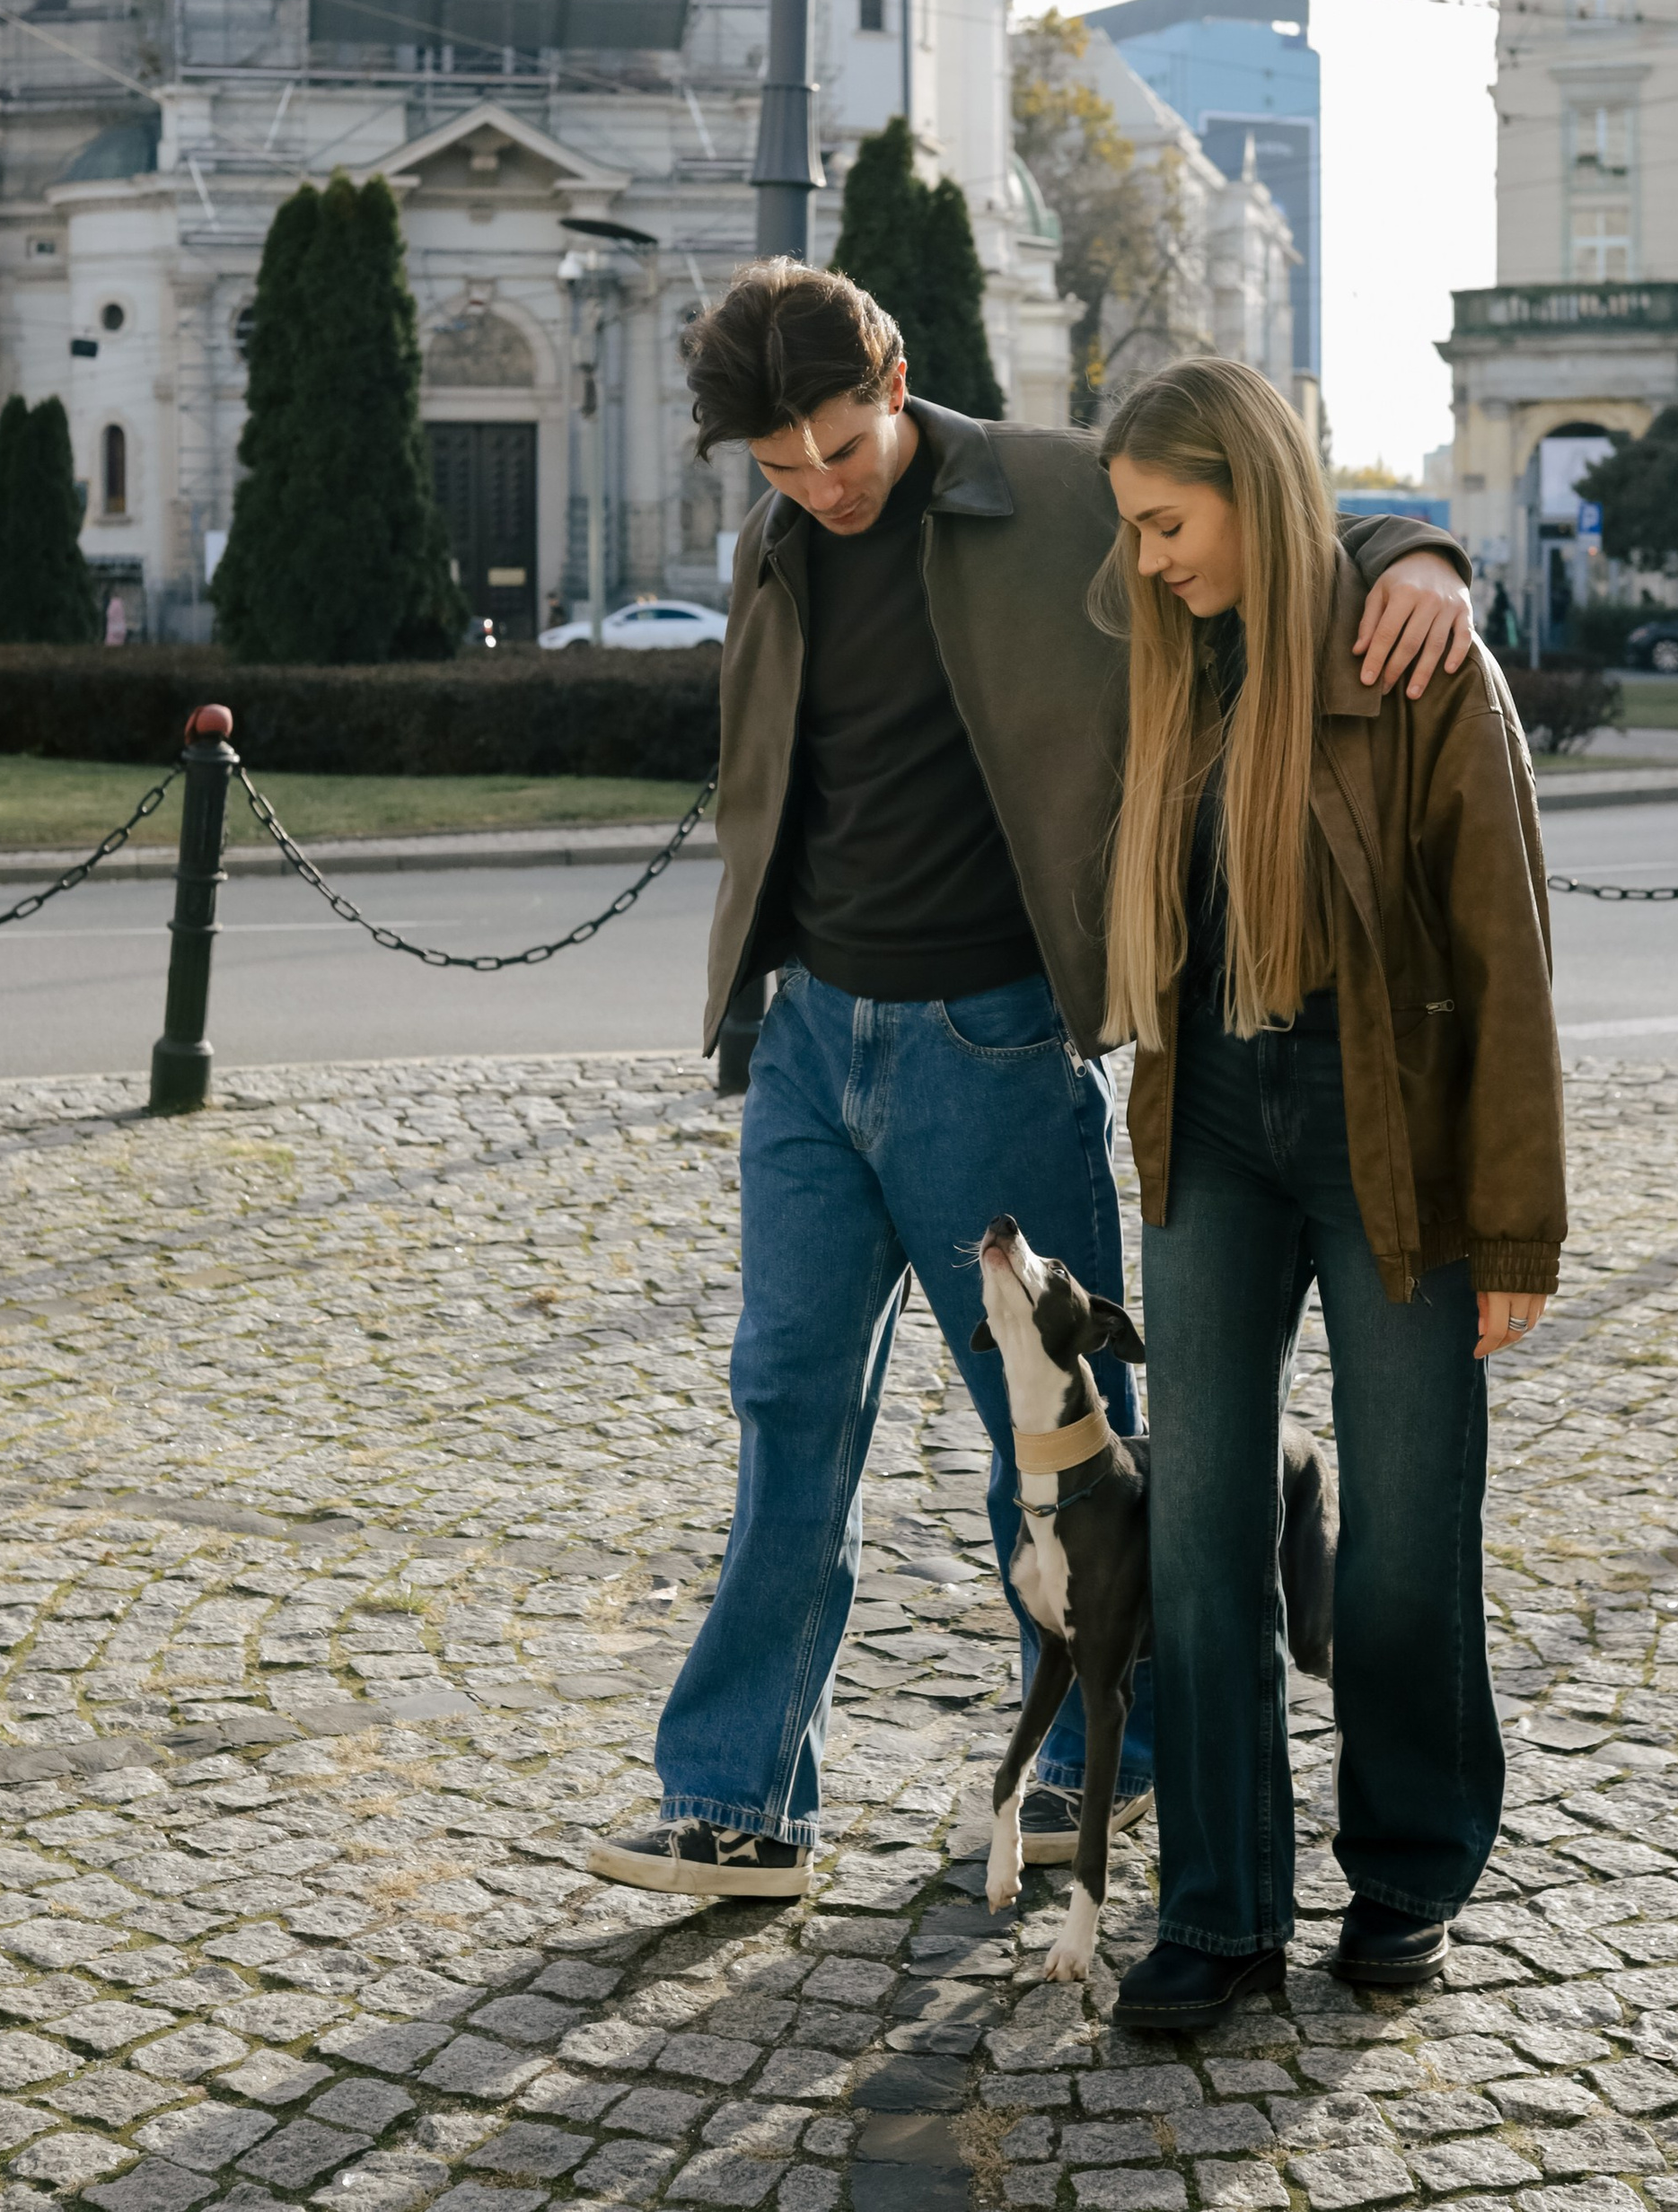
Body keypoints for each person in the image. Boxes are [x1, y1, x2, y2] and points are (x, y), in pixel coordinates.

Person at [587, 262, 1478, 1901]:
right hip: (807, 1044)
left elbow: (1262, 510)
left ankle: (1101, 1760)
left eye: (843, 447)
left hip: (988, 1042)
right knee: (786, 1407)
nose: (822, 486)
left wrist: (1415, 547)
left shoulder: (1060, 490)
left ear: (900, 380)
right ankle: (739, 1804)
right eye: (783, 466)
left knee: (1050, 1433)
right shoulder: (779, 535)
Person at [1092, 357, 1565, 2030]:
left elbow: (1507, 960)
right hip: (1210, 1117)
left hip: (1393, 1136)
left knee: (1402, 1546)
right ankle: (1218, 1913)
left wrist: (1516, 1224)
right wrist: (1408, 532)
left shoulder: (1418, 663)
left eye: (1170, 520)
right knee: (1204, 1527)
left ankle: (1407, 1874)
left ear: (1252, 491)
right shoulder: (1173, 655)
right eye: (1133, 526)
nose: (1149, 557)